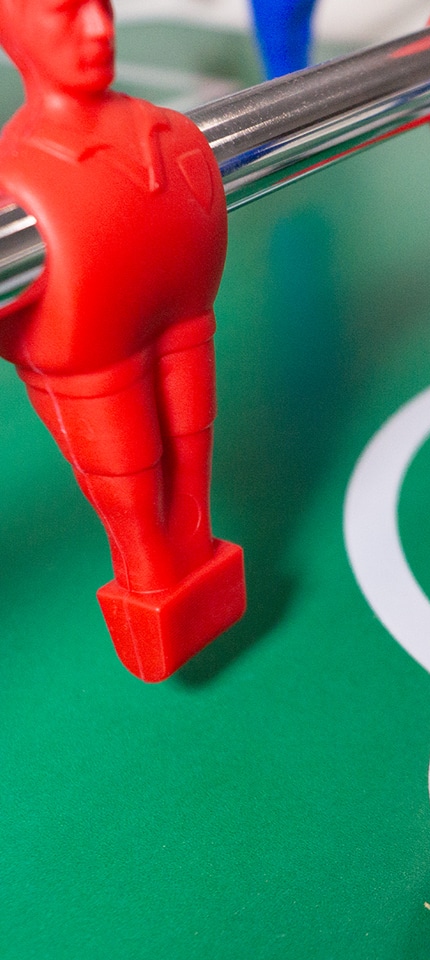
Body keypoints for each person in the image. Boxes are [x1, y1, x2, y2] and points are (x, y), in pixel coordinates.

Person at [0, 0, 245, 682]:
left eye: (103, 6)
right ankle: (152, 586)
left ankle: (192, 566)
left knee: (190, 446)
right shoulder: (18, 173)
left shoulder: (165, 130)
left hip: (182, 316)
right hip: (92, 356)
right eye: (67, 12)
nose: (99, 28)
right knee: (131, 482)